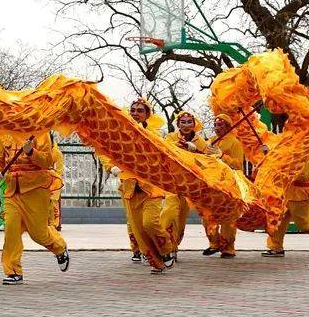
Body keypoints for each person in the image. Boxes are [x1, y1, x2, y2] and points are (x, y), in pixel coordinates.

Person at [101, 99, 173, 273]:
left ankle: (166, 250)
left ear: (147, 114)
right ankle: (156, 262)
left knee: (150, 223)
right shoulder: (119, 134)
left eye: (140, 110)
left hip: (151, 187)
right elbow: (105, 153)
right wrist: (113, 167)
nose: (135, 113)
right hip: (130, 189)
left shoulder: (155, 136)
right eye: (132, 110)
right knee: (139, 231)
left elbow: (165, 157)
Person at [0, 131, 69, 285]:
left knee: (38, 234)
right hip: (12, 191)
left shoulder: (40, 134)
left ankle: (59, 247)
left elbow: (48, 161)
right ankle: (13, 271)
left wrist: (31, 152)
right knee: (11, 230)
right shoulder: (5, 135)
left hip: (36, 189)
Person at [262, 152, 309, 257]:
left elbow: (297, 172)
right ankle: (276, 247)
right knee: (279, 220)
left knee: (303, 222)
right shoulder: (294, 147)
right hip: (287, 191)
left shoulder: (303, 151)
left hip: (298, 193)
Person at [163, 111, 210, 252]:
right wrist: (176, 148)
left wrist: (195, 151)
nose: (186, 125)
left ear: (194, 124)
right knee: (169, 213)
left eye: (189, 122)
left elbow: (207, 162)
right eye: (183, 122)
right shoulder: (170, 137)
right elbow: (164, 152)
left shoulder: (200, 142)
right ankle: (165, 245)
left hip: (189, 185)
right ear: (178, 124)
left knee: (182, 217)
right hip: (172, 181)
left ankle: (174, 246)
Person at [206, 114, 245, 259]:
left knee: (228, 217)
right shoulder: (210, 142)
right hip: (212, 183)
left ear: (228, 126)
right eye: (215, 125)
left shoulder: (235, 143)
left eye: (220, 125)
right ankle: (214, 243)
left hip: (229, 184)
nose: (217, 128)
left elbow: (237, 165)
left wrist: (222, 156)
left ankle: (228, 248)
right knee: (208, 214)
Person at [49, 139, 65, 231]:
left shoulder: (57, 154)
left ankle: (54, 223)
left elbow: (59, 171)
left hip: (54, 181)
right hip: (41, 179)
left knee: (53, 202)